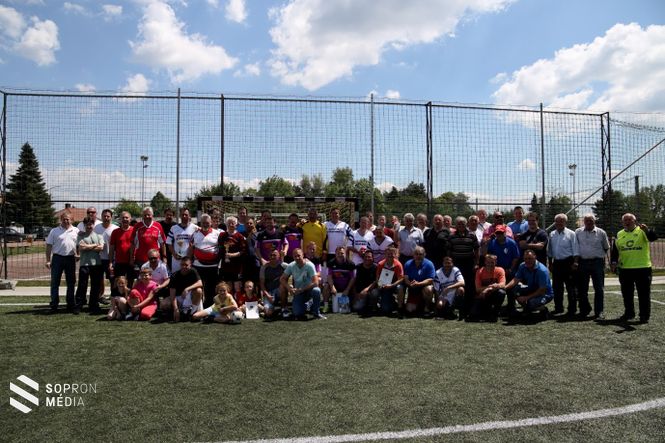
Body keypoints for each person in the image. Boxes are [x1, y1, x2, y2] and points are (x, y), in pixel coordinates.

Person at [610, 213, 658, 323]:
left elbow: (653, 238)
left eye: (630, 220)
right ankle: (629, 313)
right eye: (625, 220)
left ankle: (644, 316)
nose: (627, 222)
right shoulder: (619, 234)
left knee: (644, 294)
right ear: (622, 222)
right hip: (625, 269)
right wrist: (613, 262)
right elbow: (615, 251)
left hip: (642, 268)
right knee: (627, 294)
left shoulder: (642, 231)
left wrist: (647, 230)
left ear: (635, 221)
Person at [575, 214, 610, 319]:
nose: (589, 222)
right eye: (586, 220)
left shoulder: (601, 232)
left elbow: (606, 247)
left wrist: (597, 255)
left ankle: (599, 312)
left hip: (597, 262)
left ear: (594, 221)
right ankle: (584, 310)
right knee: (582, 288)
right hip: (583, 262)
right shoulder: (578, 232)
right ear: (583, 222)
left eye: (591, 220)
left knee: (599, 288)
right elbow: (576, 247)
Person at [45, 212, 79, 313]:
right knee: (55, 282)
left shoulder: (76, 231)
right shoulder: (54, 231)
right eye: (64, 219)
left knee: (71, 282)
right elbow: (49, 246)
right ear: (61, 219)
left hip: (70, 259)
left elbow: (79, 245)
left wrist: (78, 254)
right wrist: (48, 260)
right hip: (57, 258)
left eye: (68, 219)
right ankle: (54, 304)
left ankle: (70, 304)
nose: (66, 221)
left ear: (72, 220)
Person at [505, 250, 553, 320]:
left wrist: (526, 298)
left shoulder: (542, 270)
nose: (527, 261)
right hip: (532, 289)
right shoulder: (522, 265)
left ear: (535, 257)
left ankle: (543, 309)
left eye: (530, 258)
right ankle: (525, 309)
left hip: (545, 293)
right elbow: (516, 279)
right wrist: (505, 287)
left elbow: (542, 290)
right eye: (526, 259)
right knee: (514, 290)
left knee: (531, 302)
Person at [447, 216, 479, 319]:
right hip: (456, 264)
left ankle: (468, 309)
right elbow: (449, 251)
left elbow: (476, 250)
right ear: (456, 225)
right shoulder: (451, 236)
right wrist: (450, 265)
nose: (461, 225)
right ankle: (458, 308)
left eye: (463, 224)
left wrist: (476, 263)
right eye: (459, 224)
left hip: (469, 264)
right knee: (458, 286)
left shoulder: (472, 235)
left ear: (466, 224)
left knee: (469, 287)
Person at [547, 213, 579, 316]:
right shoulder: (552, 234)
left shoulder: (571, 234)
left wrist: (575, 262)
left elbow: (576, 249)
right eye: (557, 221)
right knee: (557, 288)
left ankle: (572, 309)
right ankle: (558, 308)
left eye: (561, 221)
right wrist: (550, 263)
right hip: (557, 263)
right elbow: (550, 251)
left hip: (568, 263)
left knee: (571, 288)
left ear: (565, 222)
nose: (559, 223)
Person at [280, 248, 325, 320]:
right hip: (299, 292)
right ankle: (309, 304)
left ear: (303, 255)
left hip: (309, 290)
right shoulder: (291, 265)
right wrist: (289, 288)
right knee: (297, 313)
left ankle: (316, 313)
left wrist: (302, 289)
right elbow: (282, 279)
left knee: (316, 290)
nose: (297, 258)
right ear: (293, 257)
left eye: (299, 255)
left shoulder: (309, 265)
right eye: (295, 256)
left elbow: (316, 282)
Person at [75, 217, 104, 314]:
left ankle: (93, 305)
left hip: (96, 264)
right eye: (87, 224)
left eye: (91, 224)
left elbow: (101, 248)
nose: (89, 226)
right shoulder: (81, 236)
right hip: (84, 264)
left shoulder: (99, 236)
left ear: (93, 225)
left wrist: (88, 246)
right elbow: (81, 248)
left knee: (95, 286)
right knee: (82, 285)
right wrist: (94, 245)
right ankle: (79, 305)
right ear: (84, 225)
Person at [191, 214, 221, 308]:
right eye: (203, 223)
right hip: (198, 265)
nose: (205, 224)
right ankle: (198, 308)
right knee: (198, 288)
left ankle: (209, 308)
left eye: (207, 223)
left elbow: (221, 248)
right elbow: (191, 248)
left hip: (213, 266)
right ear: (200, 223)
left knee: (211, 289)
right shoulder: (195, 233)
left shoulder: (217, 233)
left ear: (211, 223)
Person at [162, 256, 204, 322]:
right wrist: (175, 309)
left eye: (186, 265)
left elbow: (200, 283)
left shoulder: (193, 271)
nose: (184, 267)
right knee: (164, 304)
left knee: (199, 290)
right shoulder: (174, 276)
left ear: (190, 265)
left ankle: (192, 313)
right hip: (179, 298)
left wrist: (187, 289)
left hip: (190, 297)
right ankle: (179, 312)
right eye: (182, 264)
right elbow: (172, 295)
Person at [399, 246, 435, 317]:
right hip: (413, 289)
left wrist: (419, 284)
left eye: (420, 254)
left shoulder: (429, 264)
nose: (418, 256)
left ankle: (427, 308)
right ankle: (401, 309)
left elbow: (431, 279)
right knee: (410, 310)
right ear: (413, 255)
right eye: (416, 254)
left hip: (423, 288)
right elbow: (405, 278)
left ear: (424, 254)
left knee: (429, 289)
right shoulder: (408, 264)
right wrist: (410, 284)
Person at [130, 207, 167, 273]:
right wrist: (132, 258)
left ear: (152, 215)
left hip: (155, 260)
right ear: (142, 216)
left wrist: (164, 257)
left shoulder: (158, 226)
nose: (147, 216)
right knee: (143, 278)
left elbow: (162, 243)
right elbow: (133, 243)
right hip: (141, 260)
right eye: (145, 215)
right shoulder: (137, 226)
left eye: (149, 215)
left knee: (156, 278)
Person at [470, 254, 506, 322]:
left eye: (492, 262)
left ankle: (495, 313)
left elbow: (503, 284)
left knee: (501, 292)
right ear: (485, 262)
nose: (490, 264)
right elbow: (478, 289)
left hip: (494, 295)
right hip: (483, 296)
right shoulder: (479, 271)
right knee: (473, 315)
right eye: (488, 262)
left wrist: (487, 289)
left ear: (496, 262)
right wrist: (491, 287)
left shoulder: (500, 270)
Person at [95, 209, 117, 305]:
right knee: (99, 279)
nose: (106, 218)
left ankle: (114, 298)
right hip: (99, 258)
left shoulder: (115, 228)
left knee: (113, 280)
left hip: (112, 259)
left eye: (108, 216)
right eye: (104, 216)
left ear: (111, 217)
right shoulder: (96, 228)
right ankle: (100, 297)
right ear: (101, 217)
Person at [373, 246, 404, 316]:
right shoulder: (380, 264)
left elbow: (401, 279)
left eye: (392, 254)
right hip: (384, 286)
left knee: (400, 288)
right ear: (385, 255)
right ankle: (375, 307)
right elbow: (377, 277)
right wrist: (380, 285)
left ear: (395, 255)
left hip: (394, 286)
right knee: (385, 309)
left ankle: (400, 308)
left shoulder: (398, 265)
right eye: (388, 254)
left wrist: (392, 285)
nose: (390, 255)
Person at [109, 211, 135, 290]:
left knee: (130, 281)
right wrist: (110, 262)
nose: (125, 219)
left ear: (130, 219)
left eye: (127, 218)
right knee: (118, 281)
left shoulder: (134, 231)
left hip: (131, 261)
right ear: (120, 219)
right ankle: (117, 296)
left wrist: (132, 258)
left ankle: (129, 296)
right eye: (123, 218)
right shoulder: (115, 232)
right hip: (119, 261)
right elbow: (112, 248)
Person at [325, 246, 355, 313]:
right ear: (335, 254)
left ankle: (353, 304)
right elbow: (329, 276)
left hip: (346, 286)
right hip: (335, 286)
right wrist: (332, 287)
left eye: (342, 253)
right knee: (326, 286)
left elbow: (352, 278)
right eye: (338, 253)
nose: (340, 255)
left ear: (345, 253)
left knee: (355, 287)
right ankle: (326, 306)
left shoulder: (351, 264)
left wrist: (347, 289)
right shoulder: (330, 263)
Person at [166, 208, 198, 273]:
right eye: (182, 214)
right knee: (176, 277)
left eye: (186, 215)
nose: (184, 216)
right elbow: (168, 242)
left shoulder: (195, 228)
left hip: (189, 260)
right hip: (176, 260)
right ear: (180, 215)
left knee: (188, 277)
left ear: (189, 215)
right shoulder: (173, 228)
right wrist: (174, 254)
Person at [218, 216, 246, 287]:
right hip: (225, 266)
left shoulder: (240, 236)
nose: (231, 225)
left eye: (233, 223)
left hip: (236, 266)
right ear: (226, 224)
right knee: (228, 286)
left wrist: (233, 255)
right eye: (229, 223)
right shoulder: (222, 235)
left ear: (236, 225)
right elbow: (219, 248)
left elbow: (243, 251)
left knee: (237, 286)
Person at [259, 249, 287, 319]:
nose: (272, 257)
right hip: (269, 293)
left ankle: (283, 309)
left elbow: (295, 266)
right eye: (271, 255)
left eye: (274, 255)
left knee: (282, 286)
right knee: (268, 313)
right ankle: (266, 309)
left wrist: (305, 260)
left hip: (280, 291)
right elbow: (262, 284)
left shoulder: (284, 265)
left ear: (279, 256)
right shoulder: (264, 267)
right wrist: (268, 295)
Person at [351, 250, 377, 314]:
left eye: (369, 257)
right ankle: (366, 303)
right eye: (365, 257)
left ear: (373, 258)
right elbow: (353, 282)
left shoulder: (376, 267)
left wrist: (366, 289)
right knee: (356, 308)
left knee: (375, 293)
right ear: (363, 258)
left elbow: (376, 281)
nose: (367, 258)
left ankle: (373, 305)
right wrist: (355, 295)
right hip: (360, 293)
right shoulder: (357, 267)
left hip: (371, 290)